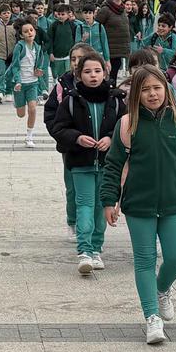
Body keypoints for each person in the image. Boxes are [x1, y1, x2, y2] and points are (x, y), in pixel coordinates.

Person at [101, 66, 176, 345]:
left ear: (167, 90)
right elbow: (112, 165)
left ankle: (162, 289)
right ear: (136, 94)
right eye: (145, 89)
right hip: (138, 206)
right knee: (145, 261)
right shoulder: (127, 124)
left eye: (157, 88)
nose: (152, 94)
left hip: (173, 204)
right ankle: (152, 317)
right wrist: (109, 200)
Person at [50, 51, 125, 274]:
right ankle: (84, 250)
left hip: (108, 165)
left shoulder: (117, 101)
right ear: (78, 75)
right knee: (84, 205)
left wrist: (110, 138)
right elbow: (58, 128)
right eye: (87, 71)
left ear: (105, 72)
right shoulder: (71, 101)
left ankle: (96, 249)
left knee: (102, 207)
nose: (93, 75)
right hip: (81, 163)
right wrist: (77, 138)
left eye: (97, 71)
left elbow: (127, 127)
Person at [44, 42, 101, 241]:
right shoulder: (63, 84)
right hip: (72, 147)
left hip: (98, 148)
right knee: (73, 187)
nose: (76, 62)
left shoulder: (101, 84)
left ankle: (94, 229)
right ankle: (73, 221)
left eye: (80, 58)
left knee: (98, 191)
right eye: (73, 59)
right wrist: (64, 136)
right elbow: (50, 114)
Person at [0, 19, 49, 147]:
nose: (29, 33)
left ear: (35, 32)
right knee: (21, 114)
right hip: (19, 84)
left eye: (31, 30)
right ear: (21, 35)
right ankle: (18, 103)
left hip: (33, 83)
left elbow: (39, 65)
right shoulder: (19, 47)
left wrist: (39, 71)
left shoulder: (37, 48)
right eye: (26, 31)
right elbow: (15, 65)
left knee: (33, 109)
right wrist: (17, 81)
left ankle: (29, 137)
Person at [98, 0, 132, 78]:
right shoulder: (105, 10)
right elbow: (98, 25)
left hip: (121, 46)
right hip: (110, 47)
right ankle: (109, 84)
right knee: (111, 69)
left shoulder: (122, 9)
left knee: (117, 65)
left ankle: (112, 84)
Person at [45, 3, 82, 83]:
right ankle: (60, 87)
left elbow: (76, 39)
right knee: (60, 75)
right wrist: (50, 52)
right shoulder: (54, 26)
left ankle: (69, 87)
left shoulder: (72, 25)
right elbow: (49, 40)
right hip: (57, 55)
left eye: (63, 14)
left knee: (69, 74)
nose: (60, 16)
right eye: (59, 14)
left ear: (68, 14)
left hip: (69, 55)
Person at [78, 4, 111, 68]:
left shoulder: (99, 26)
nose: (87, 15)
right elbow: (77, 45)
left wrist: (107, 60)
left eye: (90, 13)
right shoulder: (80, 27)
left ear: (94, 14)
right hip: (85, 56)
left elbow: (104, 43)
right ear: (82, 14)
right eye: (85, 13)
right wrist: (82, 40)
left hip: (98, 55)